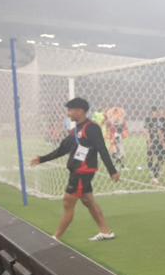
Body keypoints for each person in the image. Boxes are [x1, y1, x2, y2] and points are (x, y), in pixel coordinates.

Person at [29, 97, 119, 241]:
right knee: (87, 200)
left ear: (80, 111)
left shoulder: (91, 128)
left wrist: (112, 171)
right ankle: (106, 231)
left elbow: (102, 149)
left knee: (68, 202)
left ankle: (55, 237)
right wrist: (42, 159)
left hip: (82, 171)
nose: (68, 113)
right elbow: (62, 149)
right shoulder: (74, 130)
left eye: (70, 110)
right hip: (77, 171)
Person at [146, 105, 165, 184]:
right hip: (161, 143)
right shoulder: (162, 120)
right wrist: (164, 143)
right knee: (162, 160)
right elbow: (159, 132)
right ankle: (158, 177)